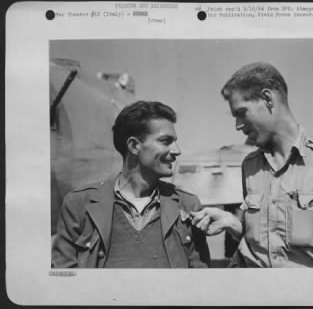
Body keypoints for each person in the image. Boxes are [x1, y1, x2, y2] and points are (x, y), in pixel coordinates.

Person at [192, 62, 313, 268]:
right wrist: (233, 223)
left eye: (242, 113)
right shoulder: (249, 166)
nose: (238, 126)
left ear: (268, 99)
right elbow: (266, 241)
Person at [52, 101, 210, 268]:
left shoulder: (188, 205)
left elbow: (200, 282)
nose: (177, 150)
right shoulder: (79, 205)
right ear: (134, 146)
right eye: (166, 141)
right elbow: (63, 281)